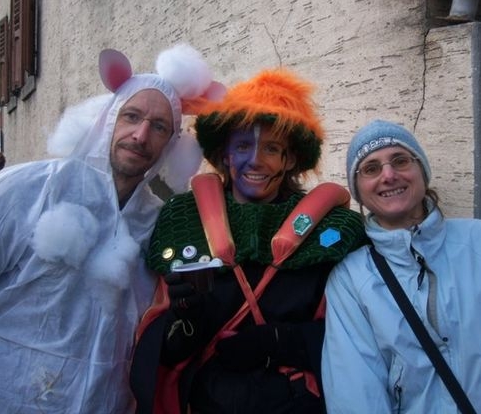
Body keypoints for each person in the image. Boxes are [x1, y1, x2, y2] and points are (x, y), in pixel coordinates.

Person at [0, 43, 224, 413]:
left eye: (159, 126)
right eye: (132, 116)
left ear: (170, 143)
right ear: (109, 118)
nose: (140, 135)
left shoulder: (157, 221)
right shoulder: (30, 189)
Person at [130, 69, 368, 413]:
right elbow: (165, 354)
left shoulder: (333, 232)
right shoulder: (182, 222)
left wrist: (277, 342)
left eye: (271, 148)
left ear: (289, 160)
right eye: (243, 145)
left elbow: (354, 336)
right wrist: (185, 320)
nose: (255, 160)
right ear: (225, 155)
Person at [321, 119, 481, 413]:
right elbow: (356, 393)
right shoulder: (350, 279)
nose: (388, 175)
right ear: (358, 189)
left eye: (400, 160)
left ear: (422, 170)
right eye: (371, 168)